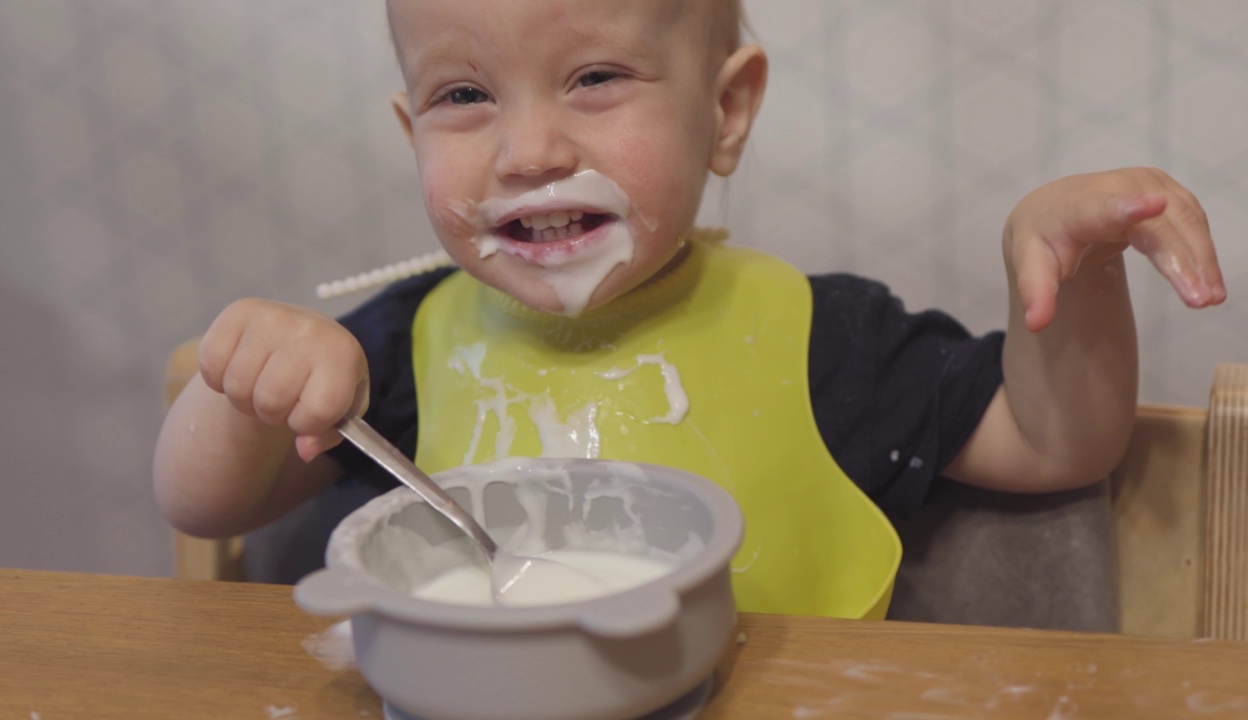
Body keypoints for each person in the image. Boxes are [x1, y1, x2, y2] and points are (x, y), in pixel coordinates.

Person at [153, 0, 1226, 617]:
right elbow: (208, 509)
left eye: (594, 78)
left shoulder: (820, 342)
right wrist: (241, 388)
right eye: (463, 96)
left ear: (724, 112)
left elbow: (1056, 445)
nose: (528, 151)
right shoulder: (398, 343)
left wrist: (1071, 271)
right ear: (410, 133)